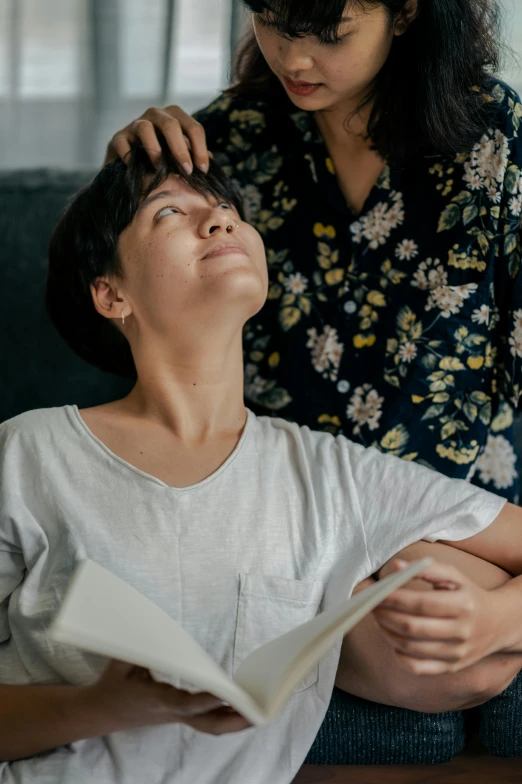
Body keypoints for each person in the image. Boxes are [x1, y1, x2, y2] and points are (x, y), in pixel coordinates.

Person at [1, 142, 522, 784]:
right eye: (168, 214)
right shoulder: (27, 453)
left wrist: (500, 618)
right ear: (111, 293)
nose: (219, 220)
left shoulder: (330, 475)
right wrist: (100, 706)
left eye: (224, 208)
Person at [105, 0, 522, 760]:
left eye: (329, 33)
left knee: (448, 631)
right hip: (275, 508)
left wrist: (507, 616)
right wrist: (130, 174)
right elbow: (137, 323)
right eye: (272, 21)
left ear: (405, 13)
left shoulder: (492, 143)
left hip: (440, 509)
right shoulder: (233, 140)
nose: (293, 59)